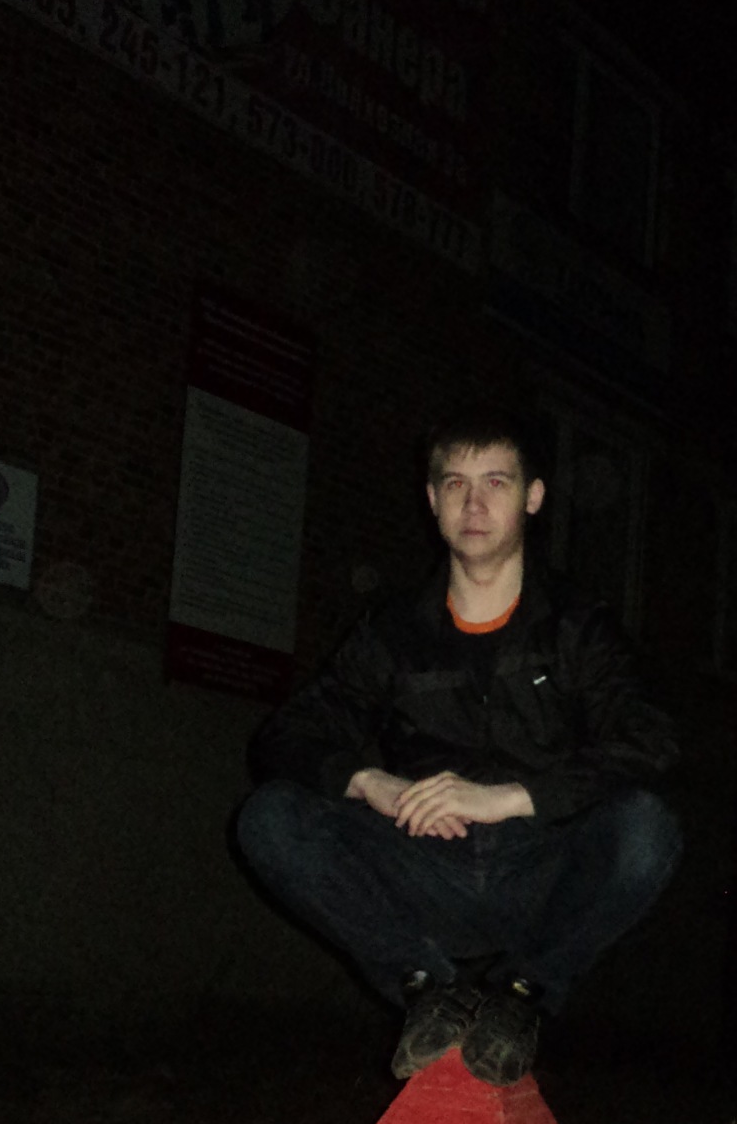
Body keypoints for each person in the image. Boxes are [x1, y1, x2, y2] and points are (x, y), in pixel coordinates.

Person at [236, 406, 682, 1085]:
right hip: (423, 866)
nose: (474, 505)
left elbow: (650, 739)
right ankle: (427, 990)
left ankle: (522, 996)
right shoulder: (392, 631)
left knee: (648, 828)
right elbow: (286, 734)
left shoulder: (577, 626)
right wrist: (370, 782)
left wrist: (512, 797)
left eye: (496, 483)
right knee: (269, 817)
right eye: (455, 484)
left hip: (539, 866)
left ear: (532, 497)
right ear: (432, 500)